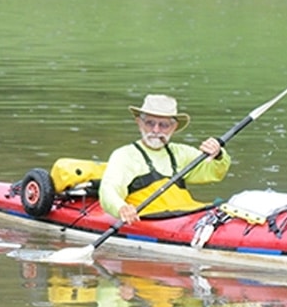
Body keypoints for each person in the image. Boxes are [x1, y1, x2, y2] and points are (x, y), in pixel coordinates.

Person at [99, 94, 230, 224]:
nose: (156, 130)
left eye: (163, 125)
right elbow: (109, 190)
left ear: (173, 127)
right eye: (150, 123)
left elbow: (214, 172)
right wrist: (121, 208)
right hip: (150, 219)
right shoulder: (124, 155)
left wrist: (218, 154)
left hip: (187, 214)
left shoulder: (181, 153)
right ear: (139, 123)